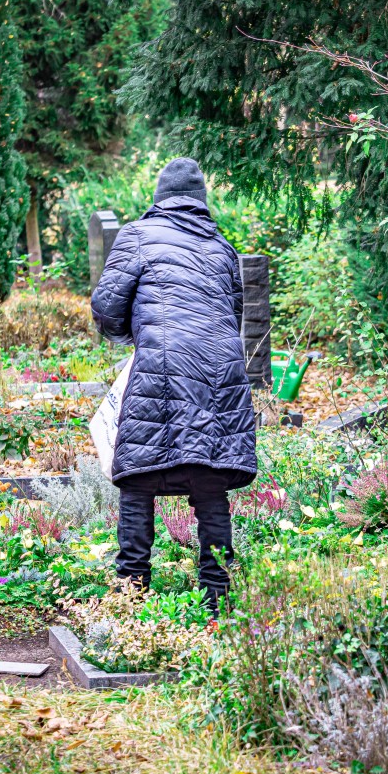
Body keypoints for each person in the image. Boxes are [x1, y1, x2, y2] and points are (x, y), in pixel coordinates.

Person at [90, 157, 257, 613]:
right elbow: (234, 318)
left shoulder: (137, 236)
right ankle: (218, 606)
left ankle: (131, 599)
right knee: (209, 482)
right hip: (220, 374)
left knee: (140, 478)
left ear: (159, 198)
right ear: (200, 201)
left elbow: (105, 309)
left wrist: (137, 337)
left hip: (159, 368)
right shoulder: (223, 248)